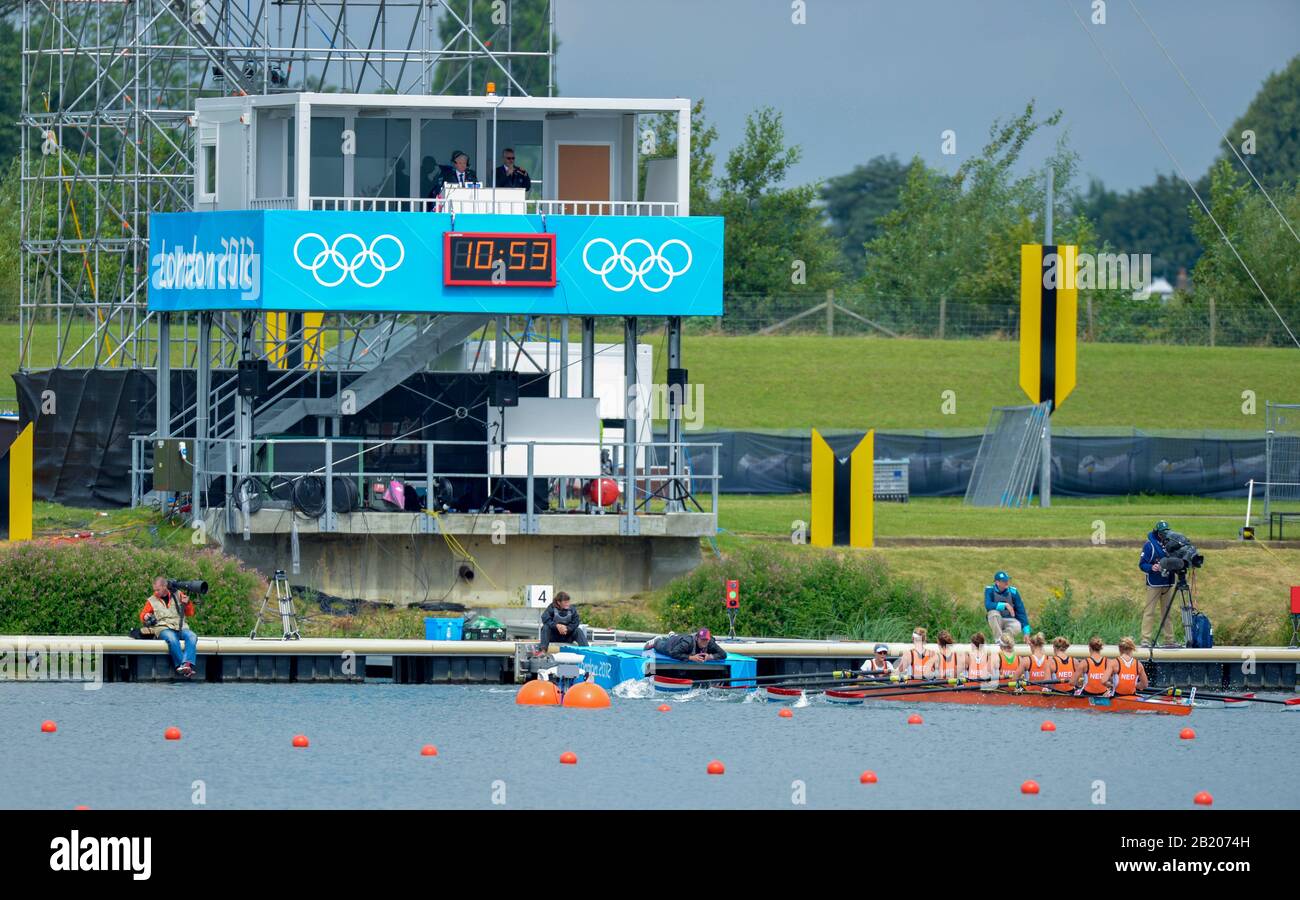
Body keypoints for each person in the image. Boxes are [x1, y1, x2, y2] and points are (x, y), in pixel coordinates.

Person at [140, 576, 198, 679]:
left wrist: (187, 603)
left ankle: (187, 664)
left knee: (192, 636)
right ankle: (182, 666)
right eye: (154, 590)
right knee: (172, 639)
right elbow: (143, 615)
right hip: (163, 628)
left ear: (164, 587)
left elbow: (190, 613)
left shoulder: (179, 594)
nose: (156, 592)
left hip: (181, 627)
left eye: (158, 590)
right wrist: (145, 616)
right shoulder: (151, 600)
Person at [1140, 520, 1177, 647]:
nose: (1164, 535)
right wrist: (1152, 568)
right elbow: (1142, 564)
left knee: (1167, 613)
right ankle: (1145, 640)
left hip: (1167, 582)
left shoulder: (1171, 543)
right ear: (1157, 532)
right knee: (1149, 612)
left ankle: (1169, 640)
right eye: (1162, 533)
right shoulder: (1149, 545)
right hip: (1154, 583)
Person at [984, 571, 1029, 640]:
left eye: (1007, 580)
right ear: (997, 582)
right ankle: (998, 640)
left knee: (1017, 626)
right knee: (993, 613)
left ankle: (1005, 639)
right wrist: (1005, 605)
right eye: (1004, 581)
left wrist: (1026, 632)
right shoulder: (990, 590)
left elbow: (1021, 612)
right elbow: (988, 605)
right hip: (996, 619)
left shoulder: (1013, 592)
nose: (1007, 582)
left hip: (1010, 619)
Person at [643, 628, 727, 662]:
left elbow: (723, 654)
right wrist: (691, 658)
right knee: (664, 647)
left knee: (677, 638)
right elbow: (674, 653)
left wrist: (710, 657)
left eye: (706, 640)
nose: (704, 642)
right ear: (697, 638)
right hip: (671, 645)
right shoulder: (688, 643)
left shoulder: (711, 643)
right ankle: (657, 640)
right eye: (702, 640)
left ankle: (673, 635)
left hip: (681, 639)